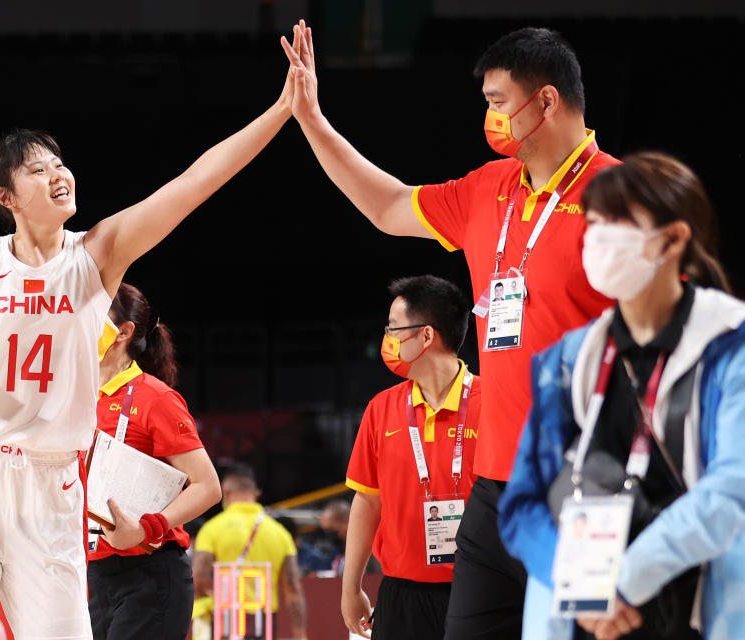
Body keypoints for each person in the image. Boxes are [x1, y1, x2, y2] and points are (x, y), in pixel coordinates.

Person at [0, 26, 304, 639]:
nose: (59, 174)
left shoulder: (96, 254)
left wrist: (282, 110)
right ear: (8, 196)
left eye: (60, 163)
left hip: (51, 479)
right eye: (39, 169)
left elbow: (195, 183)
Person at [281, 22, 617, 638]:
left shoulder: (617, 196)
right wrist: (312, 121)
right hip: (494, 487)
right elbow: (385, 207)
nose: (489, 118)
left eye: (497, 103)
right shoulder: (486, 189)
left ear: (546, 100)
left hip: (582, 482)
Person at [499, 153, 745, 640]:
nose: (597, 236)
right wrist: (581, 589)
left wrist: (624, 583)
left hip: (697, 606)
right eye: (593, 222)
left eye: (619, 222)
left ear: (673, 239)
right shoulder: (567, 361)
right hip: (586, 616)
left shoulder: (730, 347)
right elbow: (522, 505)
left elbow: (732, 490)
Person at [343, 275, 481, 639]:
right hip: (402, 595)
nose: (387, 338)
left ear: (426, 335)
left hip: (481, 591)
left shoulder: (493, 402)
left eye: (393, 327)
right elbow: (367, 502)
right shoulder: (381, 408)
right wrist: (350, 587)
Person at [87, 283, 221, 640]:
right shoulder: (71, 396)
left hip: (149, 575)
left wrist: (147, 529)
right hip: (89, 574)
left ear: (124, 332)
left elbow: (208, 487)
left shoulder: (156, 398)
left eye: (91, 314)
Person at [192, 464, 307, 640]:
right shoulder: (281, 533)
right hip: (263, 623)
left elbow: (197, 579)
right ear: (256, 493)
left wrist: (209, 598)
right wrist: (300, 634)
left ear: (226, 492)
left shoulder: (212, 529)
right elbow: (293, 587)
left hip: (226, 621)